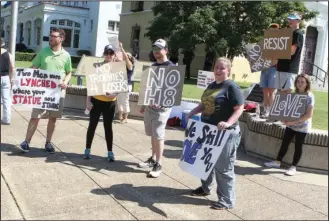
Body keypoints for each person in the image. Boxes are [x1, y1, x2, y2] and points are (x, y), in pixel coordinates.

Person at [186, 57, 244, 210]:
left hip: (226, 133)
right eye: (216, 67)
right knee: (204, 162)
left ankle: (227, 200)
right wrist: (192, 112)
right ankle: (205, 188)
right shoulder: (212, 85)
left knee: (223, 168)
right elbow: (205, 104)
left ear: (228, 71)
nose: (218, 70)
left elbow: (239, 108)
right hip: (208, 131)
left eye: (222, 68)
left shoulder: (232, 87)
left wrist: (228, 123)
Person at [17, 28, 72, 153]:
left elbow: (69, 72)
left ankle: (48, 142)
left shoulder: (66, 55)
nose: (51, 38)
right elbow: (34, 67)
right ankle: (26, 142)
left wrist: (65, 82)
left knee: (53, 118)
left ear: (61, 38)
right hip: (42, 91)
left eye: (54, 36)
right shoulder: (43, 52)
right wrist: (20, 76)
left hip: (57, 92)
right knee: (35, 116)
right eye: (50, 36)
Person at [138, 39, 176, 178]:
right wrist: (143, 103)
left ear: (165, 50)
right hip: (150, 106)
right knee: (153, 134)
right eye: (154, 48)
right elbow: (148, 87)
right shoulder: (153, 66)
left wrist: (163, 103)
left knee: (159, 135)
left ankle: (158, 164)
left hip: (162, 108)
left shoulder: (171, 67)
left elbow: (174, 90)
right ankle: (153, 158)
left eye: (159, 49)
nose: (156, 51)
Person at [264, 74, 314, 176]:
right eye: (298, 81)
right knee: (285, 143)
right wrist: (283, 118)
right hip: (290, 125)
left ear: (307, 84)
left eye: (302, 82)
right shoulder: (293, 94)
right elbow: (287, 109)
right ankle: (277, 162)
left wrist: (293, 122)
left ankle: (293, 167)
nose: (300, 84)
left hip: (302, 127)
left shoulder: (310, 96)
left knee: (298, 147)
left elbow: (308, 115)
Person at [83, 44, 120, 162]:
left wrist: (114, 94)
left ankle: (110, 152)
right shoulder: (96, 67)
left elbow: (120, 87)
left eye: (111, 53)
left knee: (108, 127)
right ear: (104, 54)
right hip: (97, 100)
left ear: (114, 54)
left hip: (110, 102)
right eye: (107, 53)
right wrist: (88, 101)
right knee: (92, 126)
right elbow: (90, 84)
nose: (108, 55)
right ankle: (87, 149)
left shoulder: (118, 68)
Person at [275, 12, 304, 93]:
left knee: (286, 92)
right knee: (279, 93)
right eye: (289, 19)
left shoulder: (298, 34)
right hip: (281, 66)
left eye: (292, 19)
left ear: (298, 21)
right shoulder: (287, 33)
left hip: (289, 68)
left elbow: (292, 51)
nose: (289, 20)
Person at [259, 23, 280, 119]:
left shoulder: (279, 43)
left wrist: (268, 65)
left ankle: (271, 111)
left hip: (273, 69)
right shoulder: (265, 42)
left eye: (275, 30)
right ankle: (266, 110)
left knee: (272, 91)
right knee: (265, 91)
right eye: (271, 29)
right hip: (264, 69)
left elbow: (277, 58)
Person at [116, 42, 135, 123]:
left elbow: (126, 59)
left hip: (126, 85)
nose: (124, 56)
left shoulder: (130, 65)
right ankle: (120, 116)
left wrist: (121, 48)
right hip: (120, 85)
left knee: (125, 102)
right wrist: (117, 49)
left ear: (130, 58)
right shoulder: (121, 64)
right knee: (119, 101)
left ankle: (125, 118)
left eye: (127, 56)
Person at [1, 37, 15, 125]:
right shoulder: (9, 54)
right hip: (5, 77)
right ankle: (7, 119)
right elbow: (12, 67)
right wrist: (12, 78)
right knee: (6, 99)